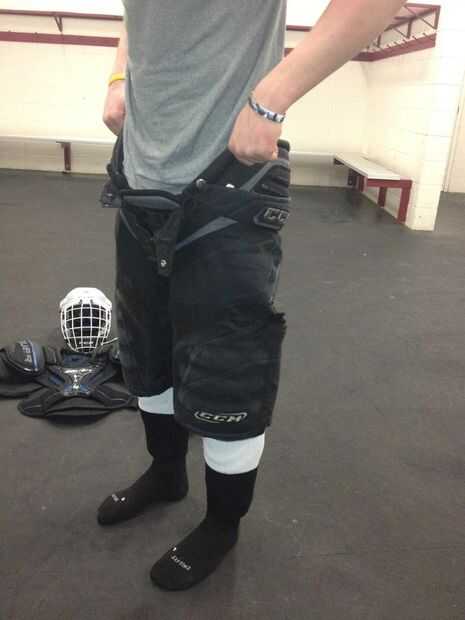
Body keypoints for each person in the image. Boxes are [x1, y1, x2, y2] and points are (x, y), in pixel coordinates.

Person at [99, 0, 407, 591]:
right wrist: (118, 77)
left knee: (228, 373)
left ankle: (222, 524)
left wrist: (272, 96)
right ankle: (166, 473)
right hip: (137, 182)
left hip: (230, 183)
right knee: (147, 355)